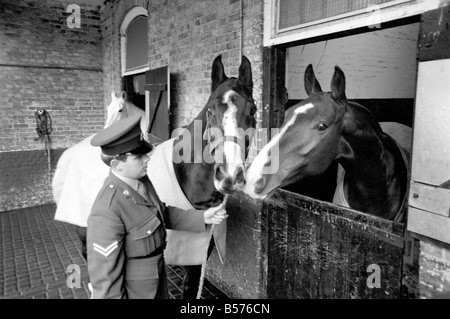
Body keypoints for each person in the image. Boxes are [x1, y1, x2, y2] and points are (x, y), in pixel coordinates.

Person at [87, 113, 227, 299]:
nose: (147, 159)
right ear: (117, 164)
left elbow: (161, 214)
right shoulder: (107, 210)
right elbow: (106, 283)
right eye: (138, 157)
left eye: (145, 153)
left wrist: (202, 216)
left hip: (157, 284)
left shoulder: (142, 181)